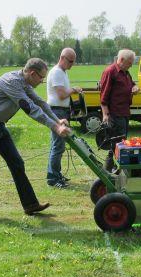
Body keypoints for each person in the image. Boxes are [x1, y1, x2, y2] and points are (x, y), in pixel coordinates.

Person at [0, 58, 71, 219]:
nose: (42, 81)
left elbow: (40, 102)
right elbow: (30, 108)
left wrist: (57, 120)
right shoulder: (12, 82)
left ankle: (30, 205)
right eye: (41, 77)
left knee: (17, 163)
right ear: (32, 73)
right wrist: (55, 127)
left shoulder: (25, 82)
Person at [46, 48, 82, 188]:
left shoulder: (61, 72)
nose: (72, 64)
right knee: (58, 146)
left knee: (57, 145)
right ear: (62, 58)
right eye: (70, 61)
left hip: (60, 110)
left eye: (73, 61)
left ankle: (55, 174)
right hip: (57, 111)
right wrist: (74, 89)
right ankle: (53, 179)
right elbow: (61, 95)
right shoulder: (56, 72)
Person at [100, 49, 139, 171]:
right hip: (115, 114)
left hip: (124, 113)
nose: (131, 65)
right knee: (116, 145)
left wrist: (135, 88)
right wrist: (105, 114)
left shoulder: (126, 72)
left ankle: (113, 170)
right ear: (121, 60)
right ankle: (108, 172)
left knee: (121, 144)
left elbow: (132, 84)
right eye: (129, 62)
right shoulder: (110, 71)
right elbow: (103, 96)